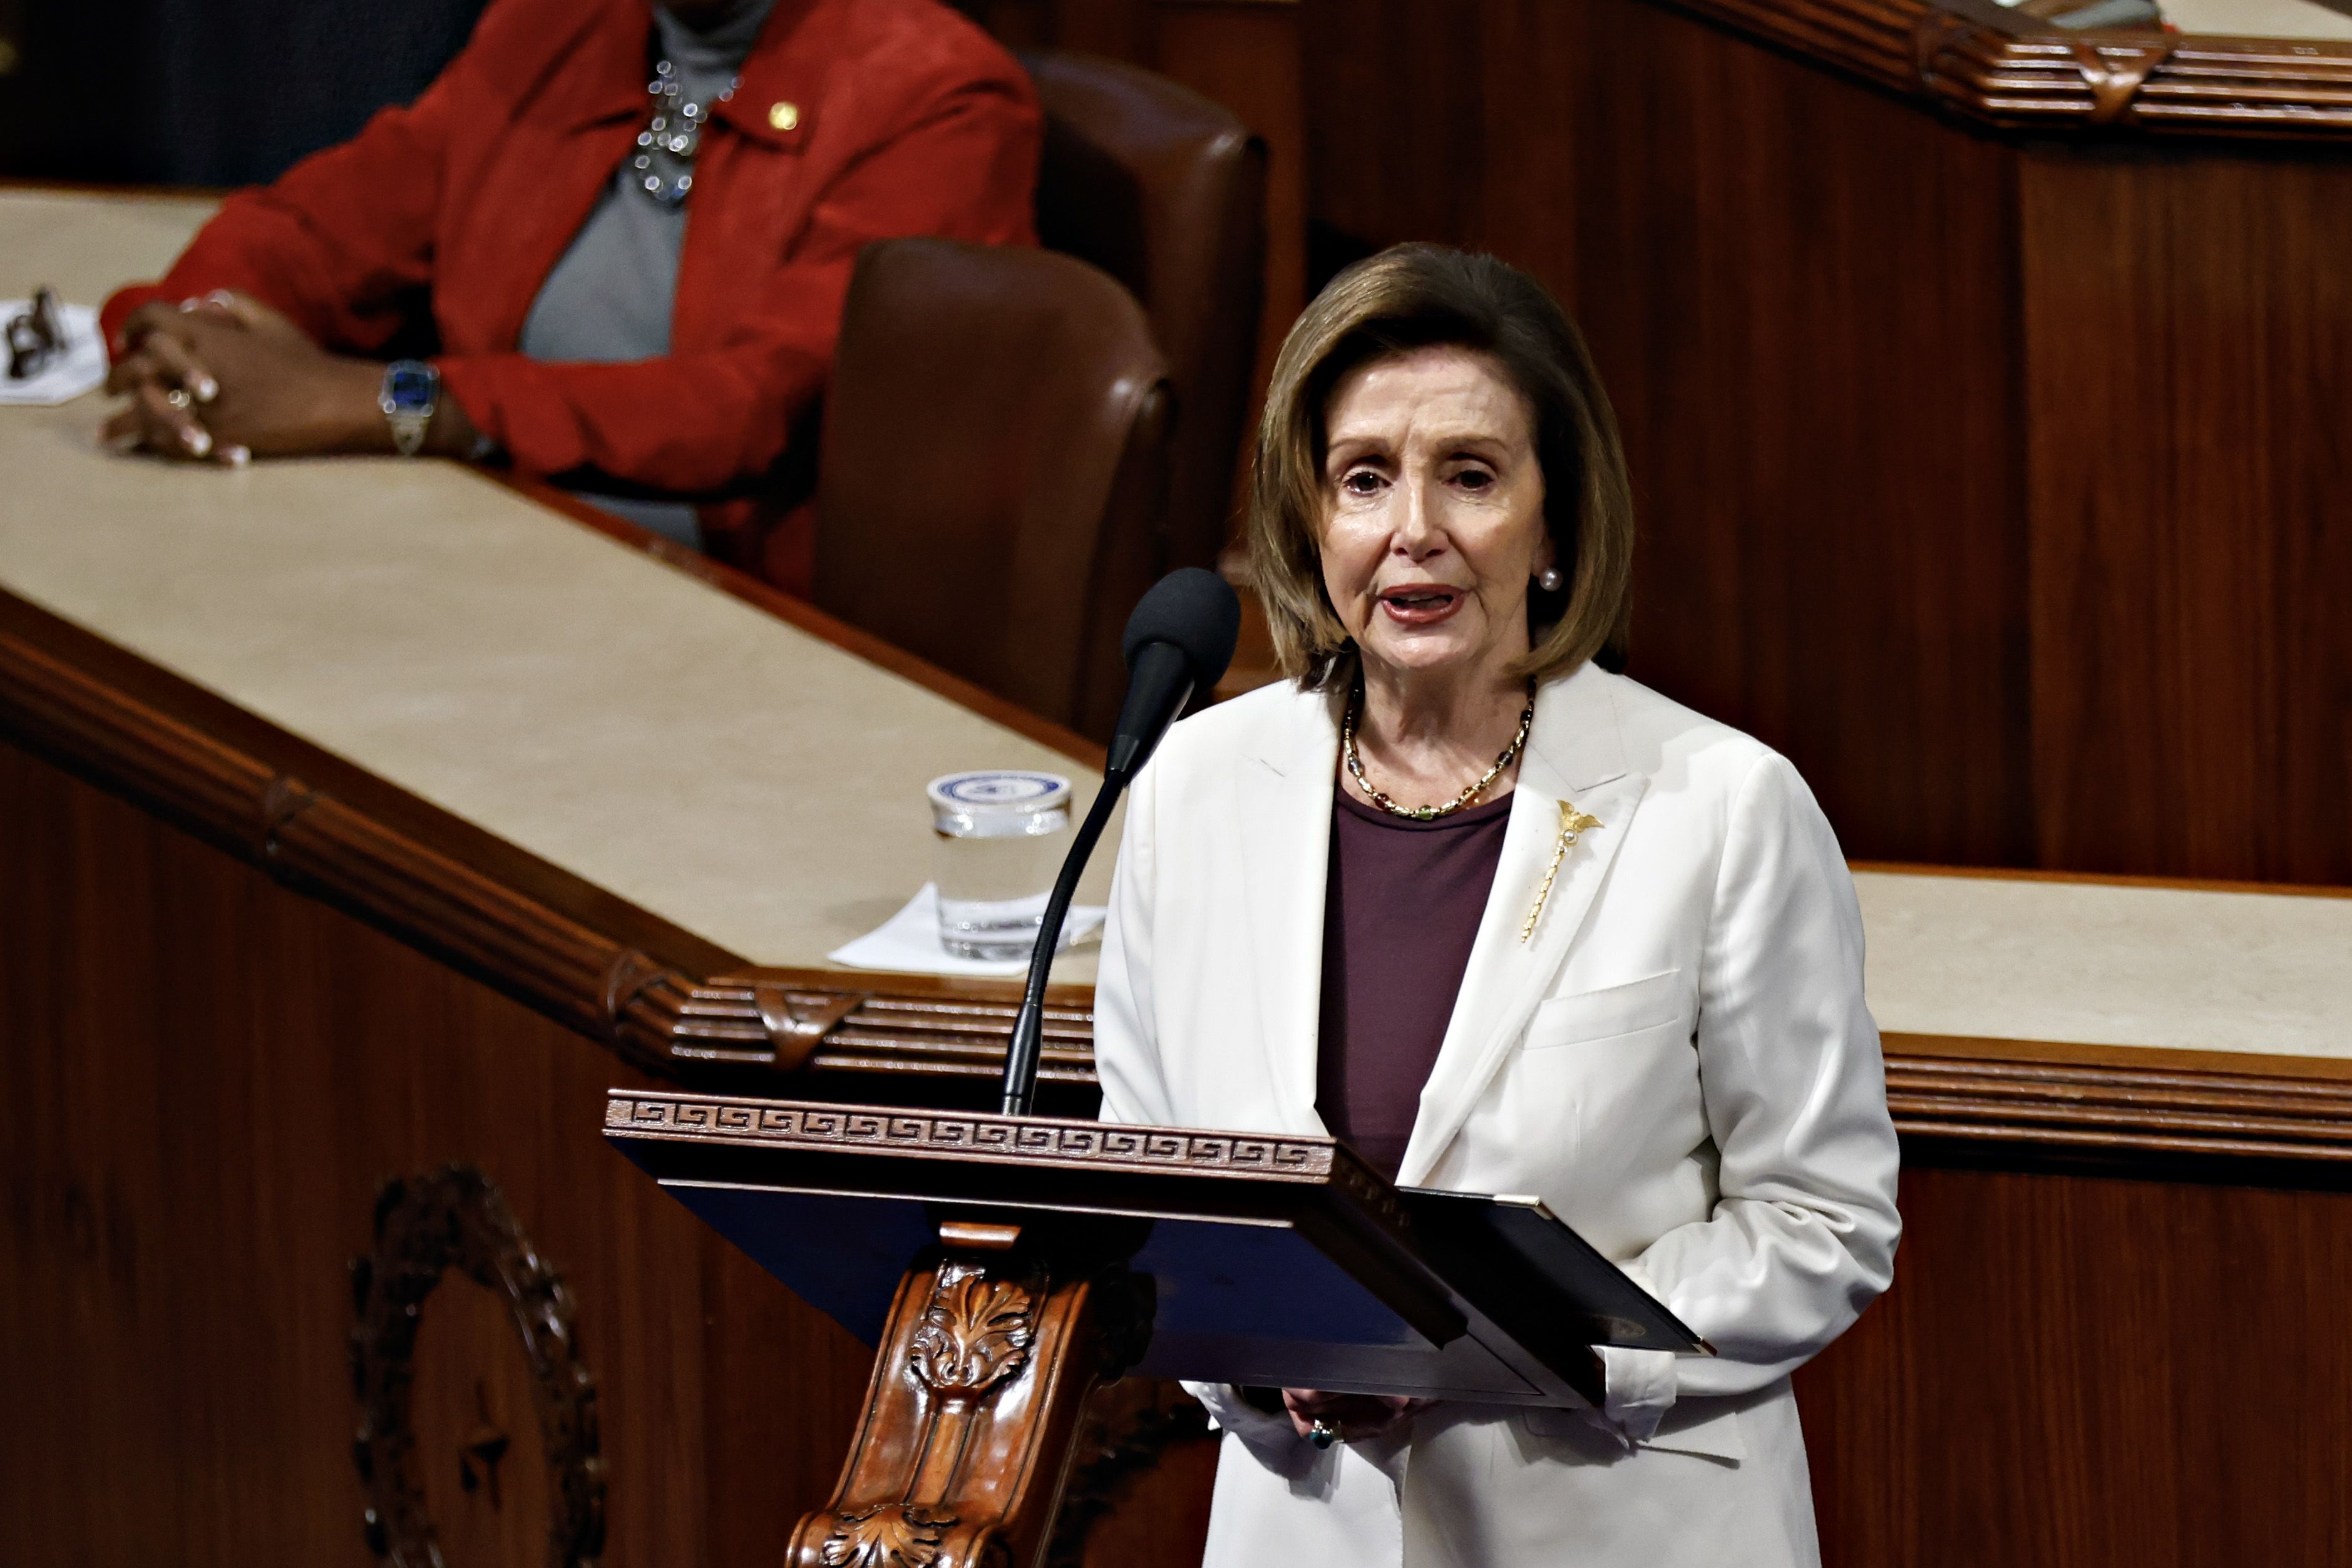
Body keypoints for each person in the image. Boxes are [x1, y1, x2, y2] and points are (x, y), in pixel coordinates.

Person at [1091, 243, 1902, 1567]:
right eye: (1364, 477)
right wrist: (1258, 1362)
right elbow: (1154, 1192)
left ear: (1556, 525)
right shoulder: (1193, 789)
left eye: (1469, 475)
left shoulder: (1721, 804)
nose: (1412, 527)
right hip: (1310, 1531)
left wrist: (1493, 1345)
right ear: (1310, 520)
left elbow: (1823, 1221)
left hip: (1618, 1527)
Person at [96, 0, 1040, 593]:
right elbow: (314, 229)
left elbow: (748, 405)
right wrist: (191, 341)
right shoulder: (554, 28)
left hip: (733, 615)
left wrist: (408, 404)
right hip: (477, 540)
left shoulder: (936, 99)